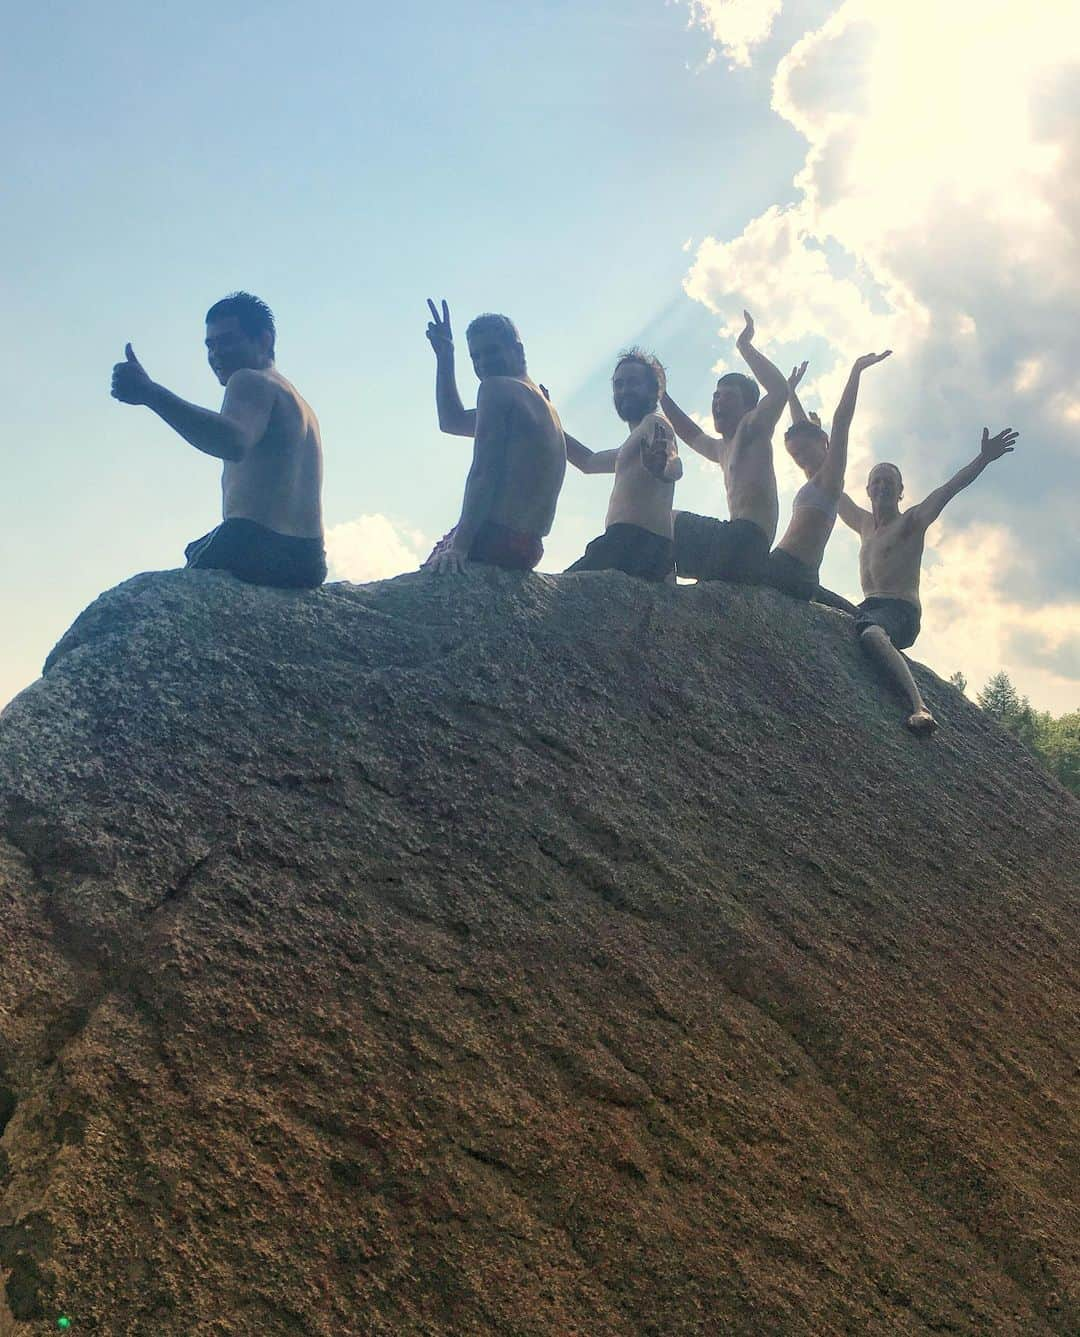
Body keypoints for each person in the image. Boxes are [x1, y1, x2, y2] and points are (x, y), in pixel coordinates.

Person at [110, 292, 326, 589]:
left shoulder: (250, 379)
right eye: (210, 345)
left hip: (259, 543)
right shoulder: (296, 401)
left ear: (264, 341)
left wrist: (151, 394)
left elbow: (234, 441)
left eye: (227, 341)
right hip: (309, 557)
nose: (216, 354)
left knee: (174, 592)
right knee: (196, 548)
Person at [839, 425, 1019, 734]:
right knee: (816, 592)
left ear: (900, 491)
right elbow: (823, 478)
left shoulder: (912, 521)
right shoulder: (863, 523)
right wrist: (810, 425)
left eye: (889, 482)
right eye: (876, 482)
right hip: (870, 606)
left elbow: (949, 488)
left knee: (870, 635)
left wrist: (983, 459)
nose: (882, 487)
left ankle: (919, 706)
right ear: (867, 489)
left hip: (900, 612)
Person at [422, 301, 566, 574]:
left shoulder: (496, 389)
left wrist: (460, 546)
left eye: (492, 351)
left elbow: (484, 471)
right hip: (529, 546)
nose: (483, 363)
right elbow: (452, 422)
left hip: (495, 538)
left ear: (518, 349)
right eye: (475, 356)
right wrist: (445, 357)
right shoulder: (542, 404)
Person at [661, 311, 787, 583]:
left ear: (748, 407)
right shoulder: (722, 448)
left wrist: (744, 346)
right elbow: (690, 433)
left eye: (727, 397)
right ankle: (666, 587)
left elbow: (779, 390)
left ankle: (666, 591)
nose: (717, 402)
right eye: (715, 396)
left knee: (665, 519)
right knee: (657, 524)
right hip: (734, 543)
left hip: (747, 539)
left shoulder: (752, 428)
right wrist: (663, 394)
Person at [765, 351, 892, 601]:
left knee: (856, 619)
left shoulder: (830, 479)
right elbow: (804, 430)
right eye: (794, 455)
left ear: (824, 442)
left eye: (804, 451)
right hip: (791, 567)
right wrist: (790, 393)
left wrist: (856, 371)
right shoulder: (814, 478)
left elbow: (841, 421)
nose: (800, 458)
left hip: (796, 570)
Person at [562, 350, 682, 581]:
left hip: (637, 542)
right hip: (630, 542)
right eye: (618, 385)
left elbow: (674, 461)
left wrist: (662, 468)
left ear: (653, 390)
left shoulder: (655, 423)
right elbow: (587, 461)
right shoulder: (631, 446)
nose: (624, 390)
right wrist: (551, 421)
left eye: (633, 383)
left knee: (562, 593)